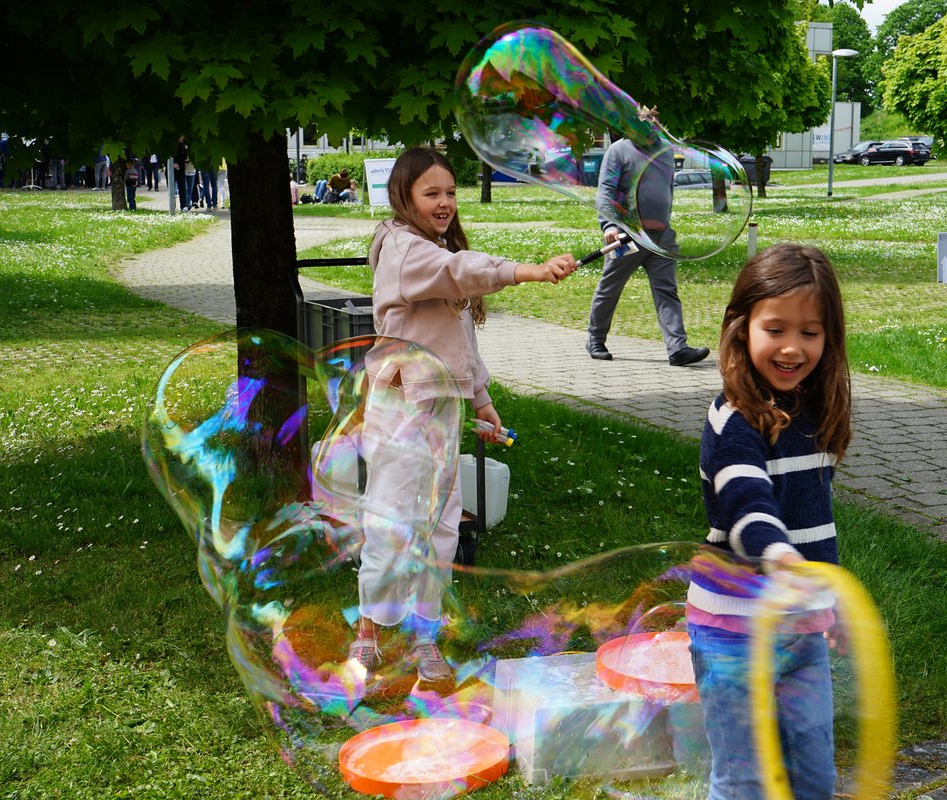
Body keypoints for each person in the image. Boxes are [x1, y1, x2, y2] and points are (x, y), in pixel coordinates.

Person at [351, 146, 577, 690]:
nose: (445, 202)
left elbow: (460, 340)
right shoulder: (403, 250)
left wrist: (480, 399)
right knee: (392, 520)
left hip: (441, 408)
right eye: (432, 193)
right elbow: (459, 272)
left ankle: (423, 633)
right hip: (402, 404)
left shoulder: (432, 247)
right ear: (404, 197)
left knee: (441, 524)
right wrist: (530, 271)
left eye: (450, 192)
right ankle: (368, 631)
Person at [688, 242, 853, 800]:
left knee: (813, 774)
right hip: (734, 631)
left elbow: (816, 520)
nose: (792, 348)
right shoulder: (732, 417)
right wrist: (778, 554)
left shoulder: (814, 406)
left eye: (810, 333)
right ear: (741, 326)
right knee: (746, 779)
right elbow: (745, 501)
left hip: (802, 623)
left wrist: (830, 604)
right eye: (775, 329)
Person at [586, 106, 709, 366]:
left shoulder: (665, 150)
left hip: (661, 237)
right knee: (610, 288)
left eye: (655, 118)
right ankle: (595, 340)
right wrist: (608, 225)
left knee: (667, 291)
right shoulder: (618, 151)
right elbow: (606, 191)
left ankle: (678, 349)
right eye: (646, 119)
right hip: (627, 236)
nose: (652, 123)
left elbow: (667, 189)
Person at [173, 136, 191, 211]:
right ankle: (172, 205)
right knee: (171, 187)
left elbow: (185, 157)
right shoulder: (173, 145)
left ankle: (183, 205)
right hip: (171, 168)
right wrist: (173, 163)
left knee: (182, 187)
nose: (182, 138)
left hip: (180, 168)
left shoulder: (184, 146)